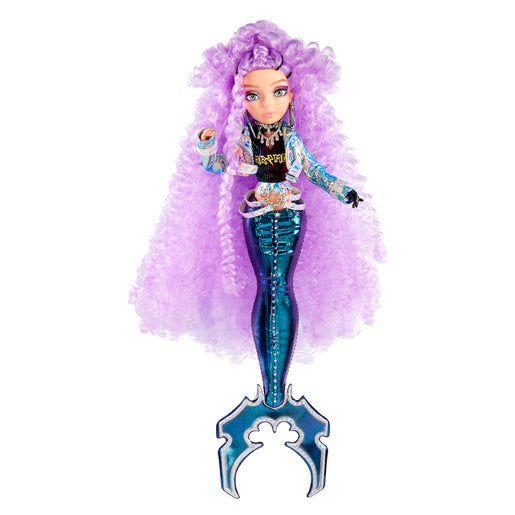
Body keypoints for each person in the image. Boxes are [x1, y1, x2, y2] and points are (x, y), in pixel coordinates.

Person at [129, 20, 384, 378]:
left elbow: (314, 171)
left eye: (278, 92)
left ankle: (276, 386)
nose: (267, 105)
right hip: (258, 213)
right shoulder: (245, 142)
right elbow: (219, 167)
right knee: (268, 286)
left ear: (292, 94)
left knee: (283, 286)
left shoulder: (292, 141)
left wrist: (345, 191)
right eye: (253, 95)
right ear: (238, 100)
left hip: (292, 213)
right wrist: (206, 147)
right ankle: (271, 384)